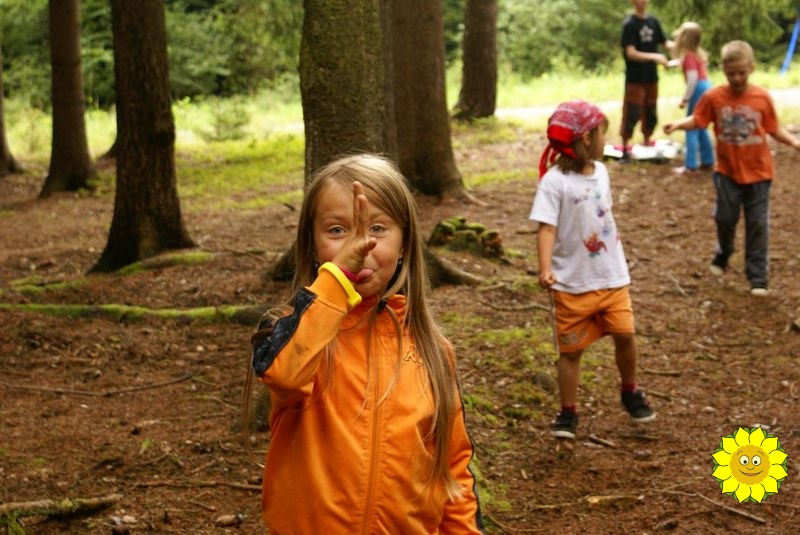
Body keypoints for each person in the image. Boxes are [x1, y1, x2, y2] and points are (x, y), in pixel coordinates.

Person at [246, 153, 485, 533]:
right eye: (337, 230)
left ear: (405, 243)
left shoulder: (433, 350)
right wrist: (337, 278)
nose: (360, 245)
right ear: (312, 246)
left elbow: (452, 466)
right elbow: (285, 375)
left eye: (376, 228)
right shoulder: (292, 332)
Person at [531, 100, 656, 440]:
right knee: (571, 351)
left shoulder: (601, 172)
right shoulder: (554, 182)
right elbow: (546, 228)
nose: (606, 139)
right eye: (602, 133)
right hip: (572, 284)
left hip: (612, 276)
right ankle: (567, 412)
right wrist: (545, 268)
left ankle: (630, 390)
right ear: (587, 138)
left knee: (626, 335)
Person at [663, 40, 800, 296]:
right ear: (724, 70)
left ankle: (757, 277)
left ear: (751, 68)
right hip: (727, 173)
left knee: (757, 223)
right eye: (731, 73)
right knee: (725, 218)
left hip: (759, 173)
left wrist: (793, 141)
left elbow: (773, 127)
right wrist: (678, 125)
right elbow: (699, 119)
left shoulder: (761, 98)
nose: (736, 78)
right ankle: (724, 252)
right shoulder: (714, 97)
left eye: (741, 73)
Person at [619, 0, 671, 162]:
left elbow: (665, 43)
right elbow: (631, 53)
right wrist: (655, 57)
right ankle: (625, 148)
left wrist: (686, 42)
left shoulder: (653, 21)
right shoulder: (630, 24)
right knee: (631, 112)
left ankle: (647, 143)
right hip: (635, 78)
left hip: (651, 77)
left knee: (650, 111)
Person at [670, 21, 715, 175]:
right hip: (706, 86)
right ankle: (708, 160)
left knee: (690, 125)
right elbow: (687, 66)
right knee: (701, 124)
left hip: (698, 90)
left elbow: (692, 78)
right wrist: (671, 64)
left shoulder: (689, 56)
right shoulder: (698, 54)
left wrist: (685, 98)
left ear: (684, 39)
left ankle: (691, 165)